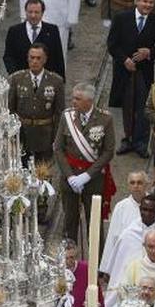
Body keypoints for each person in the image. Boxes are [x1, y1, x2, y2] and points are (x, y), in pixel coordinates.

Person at [107, 0, 155, 159]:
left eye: (151, 2)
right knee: (127, 105)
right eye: (144, 1)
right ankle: (127, 138)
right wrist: (125, 60)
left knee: (144, 106)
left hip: (144, 71)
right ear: (136, 1)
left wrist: (149, 52)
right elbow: (112, 44)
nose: (147, 5)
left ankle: (141, 142)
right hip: (124, 71)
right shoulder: (121, 19)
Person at [53, 84, 116, 242]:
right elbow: (58, 148)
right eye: (73, 97)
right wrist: (69, 176)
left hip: (93, 180)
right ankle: (68, 263)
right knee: (69, 224)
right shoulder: (66, 116)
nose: (73, 102)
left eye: (77, 99)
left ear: (89, 101)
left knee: (94, 225)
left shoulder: (105, 119)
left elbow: (108, 152)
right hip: (70, 178)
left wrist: (86, 176)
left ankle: (96, 263)